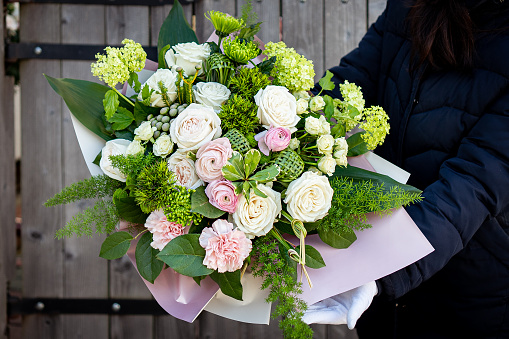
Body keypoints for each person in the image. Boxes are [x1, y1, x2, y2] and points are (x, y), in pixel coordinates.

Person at [304, 0, 509, 337]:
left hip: (468, 292)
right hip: (378, 283)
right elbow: (350, 85)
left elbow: (475, 183)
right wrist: (277, 115)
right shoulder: (410, 5)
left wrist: (381, 270)